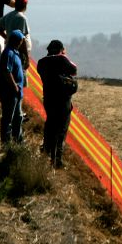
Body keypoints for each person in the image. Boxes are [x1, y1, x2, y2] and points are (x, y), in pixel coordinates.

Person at [38, 40, 78, 168]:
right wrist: (63, 56)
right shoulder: (62, 59)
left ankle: (46, 152)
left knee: (50, 125)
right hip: (63, 101)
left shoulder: (41, 62)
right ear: (61, 50)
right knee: (61, 130)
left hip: (49, 100)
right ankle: (57, 160)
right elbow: (74, 70)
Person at [0, 29, 27, 145]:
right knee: (8, 118)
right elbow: (6, 71)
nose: (21, 43)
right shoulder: (8, 53)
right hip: (9, 92)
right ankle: (6, 143)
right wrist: (14, 86)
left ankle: (18, 140)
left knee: (18, 117)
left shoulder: (15, 52)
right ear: (17, 41)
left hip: (17, 92)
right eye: (21, 41)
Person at [0, 0, 31, 70]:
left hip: (11, 49)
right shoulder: (22, 18)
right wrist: (27, 59)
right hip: (20, 52)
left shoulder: (9, 15)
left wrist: (6, 37)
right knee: (21, 73)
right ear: (25, 4)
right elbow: (23, 39)